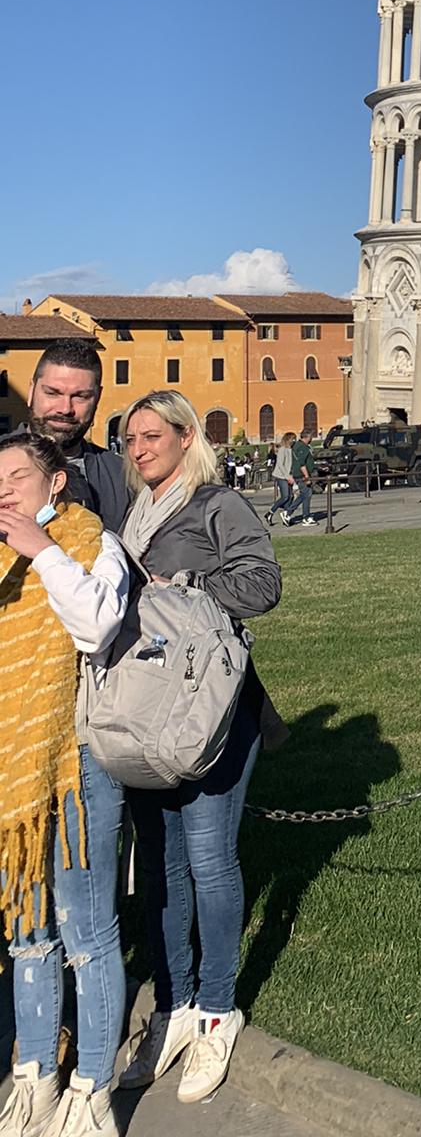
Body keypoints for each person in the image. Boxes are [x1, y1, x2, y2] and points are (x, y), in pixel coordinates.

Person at [115, 393, 282, 1109]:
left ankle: (218, 1009)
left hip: (213, 713)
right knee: (162, 863)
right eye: (130, 439)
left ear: (188, 437)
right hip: (150, 715)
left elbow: (263, 584)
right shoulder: (137, 516)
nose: (139, 448)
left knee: (210, 859)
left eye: (152, 436)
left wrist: (184, 585)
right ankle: (175, 1004)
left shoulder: (216, 504)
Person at [0, 430, 130, 1137]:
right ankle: (35, 1081)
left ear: (53, 484)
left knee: (86, 930)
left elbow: (97, 627)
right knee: (27, 932)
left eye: (16, 475)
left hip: (77, 768)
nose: (2, 489)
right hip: (14, 777)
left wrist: (42, 552)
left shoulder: (89, 543)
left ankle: (92, 1090)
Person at [27, 339, 130, 536]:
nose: (65, 409)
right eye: (52, 393)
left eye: (80, 396)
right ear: (31, 391)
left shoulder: (124, 479)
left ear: (97, 398)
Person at [285, 434, 315, 525]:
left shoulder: (298, 446)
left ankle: (292, 513)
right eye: (311, 437)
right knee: (307, 493)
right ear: (308, 437)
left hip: (298, 474)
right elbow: (302, 463)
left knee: (305, 494)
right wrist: (307, 476)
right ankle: (303, 516)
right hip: (301, 475)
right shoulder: (302, 447)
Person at [270, 432, 295, 520]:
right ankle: (271, 511)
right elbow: (280, 464)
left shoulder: (290, 450)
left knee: (290, 496)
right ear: (288, 439)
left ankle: (286, 515)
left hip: (288, 475)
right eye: (293, 439)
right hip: (281, 475)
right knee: (285, 496)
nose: (294, 441)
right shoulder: (282, 449)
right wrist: (287, 476)